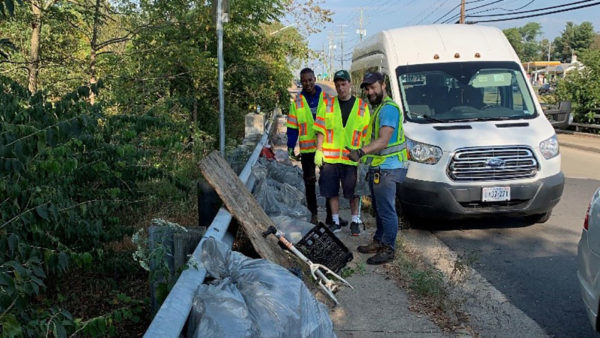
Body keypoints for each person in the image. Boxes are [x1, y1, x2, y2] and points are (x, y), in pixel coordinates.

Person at [347, 71, 408, 265]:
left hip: (388, 168)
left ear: (383, 85)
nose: (369, 92)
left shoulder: (388, 109)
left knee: (386, 210)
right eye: (366, 88)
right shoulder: (379, 108)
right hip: (381, 167)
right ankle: (379, 241)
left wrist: (360, 152)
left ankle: (388, 248)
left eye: (373, 87)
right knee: (380, 209)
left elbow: (382, 141)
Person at [314, 70, 370, 236]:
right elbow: (320, 129)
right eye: (337, 85)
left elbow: (366, 134)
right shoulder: (328, 104)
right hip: (330, 158)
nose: (341, 88)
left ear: (350, 84)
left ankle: (355, 221)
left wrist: (364, 156)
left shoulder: (362, 107)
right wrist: (319, 150)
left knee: (354, 192)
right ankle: (336, 222)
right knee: (331, 191)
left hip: (351, 158)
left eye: (343, 84)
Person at [287, 68, 341, 225]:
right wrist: (290, 146)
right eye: (304, 81)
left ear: (315, 79)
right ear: (301, 81)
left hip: (326, 148)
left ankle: (331, 216)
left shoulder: (327, 99)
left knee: (328, 182)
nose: (308, 83)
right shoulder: (297, 102)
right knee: (309, 182)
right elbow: (292, 127)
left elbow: (336, 123)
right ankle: (313, 215)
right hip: (307, 150)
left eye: (310, 80)